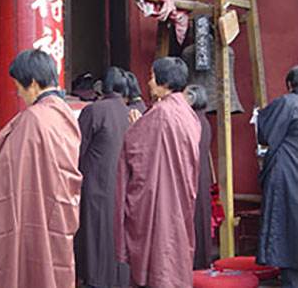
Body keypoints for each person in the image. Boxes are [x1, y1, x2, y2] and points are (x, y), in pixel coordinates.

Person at [0, 49, 83, 288]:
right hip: (57, 209)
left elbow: (7, 168)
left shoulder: (33, 119)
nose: (20, 94)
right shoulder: (65, 113)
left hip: (35, 208)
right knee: (50, 268)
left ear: (33, 83)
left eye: (19, 86)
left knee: (27, 268)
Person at [115, 57, 201, 287]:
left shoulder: (161, 113)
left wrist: (135, 127)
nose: (149, 82)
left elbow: (137, 150)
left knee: (159, 250)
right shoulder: (187, 112)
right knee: (175, 246)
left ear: (165, 82)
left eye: (152, 77)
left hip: (161, 195)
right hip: (180, 195)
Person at [74, 66, 131, 288]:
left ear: (103, 87)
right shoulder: (131, 112)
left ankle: (96, 280)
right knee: (116, 234)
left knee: (95, 234)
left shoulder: (95, 111)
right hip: (122, 185)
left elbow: (76, 148)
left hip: (96, 185)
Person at [256, 66, 298, 288]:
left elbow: (265, 133)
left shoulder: (287, 103)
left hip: (288, 173)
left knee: (287, 229)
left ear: (290, 85)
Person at [185, 85, 212, 270]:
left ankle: (193, 261)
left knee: (193, 217)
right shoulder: (204, 121)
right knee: (200, 215)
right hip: (201, 173)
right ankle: (202, 259)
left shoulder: (193, 121)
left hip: (192, 172)